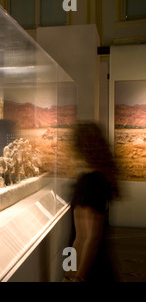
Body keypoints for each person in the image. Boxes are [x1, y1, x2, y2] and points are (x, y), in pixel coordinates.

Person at [64, 121, 121, 282]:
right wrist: (68, 274)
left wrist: (75, 277)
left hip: (92, 270)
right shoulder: (98, 178)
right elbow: (80, 239)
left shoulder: (89, 182)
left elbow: (88, 239)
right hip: (96, 265)